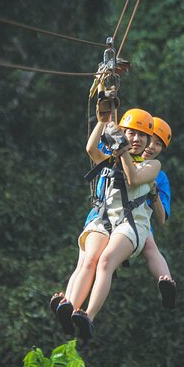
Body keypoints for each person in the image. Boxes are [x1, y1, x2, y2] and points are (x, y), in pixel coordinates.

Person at [51, 105, 160, 340]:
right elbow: (91, 149)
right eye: (131, 133)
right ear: (123, 133)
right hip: (105, 218)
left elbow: (132, 180)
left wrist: (122, 152)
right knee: (89, 259)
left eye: (142, 135)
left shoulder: (151, 166)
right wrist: (103, 120)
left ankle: (88, 317)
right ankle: (69, 307)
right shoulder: (111, 158)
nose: (136, 139)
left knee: (105, 261)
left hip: (129, 223)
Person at [139, 117, 176, 309]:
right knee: (89, 260)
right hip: (109, 214)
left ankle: (166, 282)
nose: (151, 147)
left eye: (158, 144)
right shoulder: (119, 155)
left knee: (149, 244)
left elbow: (161, 219)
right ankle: (70, 301)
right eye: (150, 139)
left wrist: (154, 192)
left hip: (138, 220)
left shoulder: (160, 176)